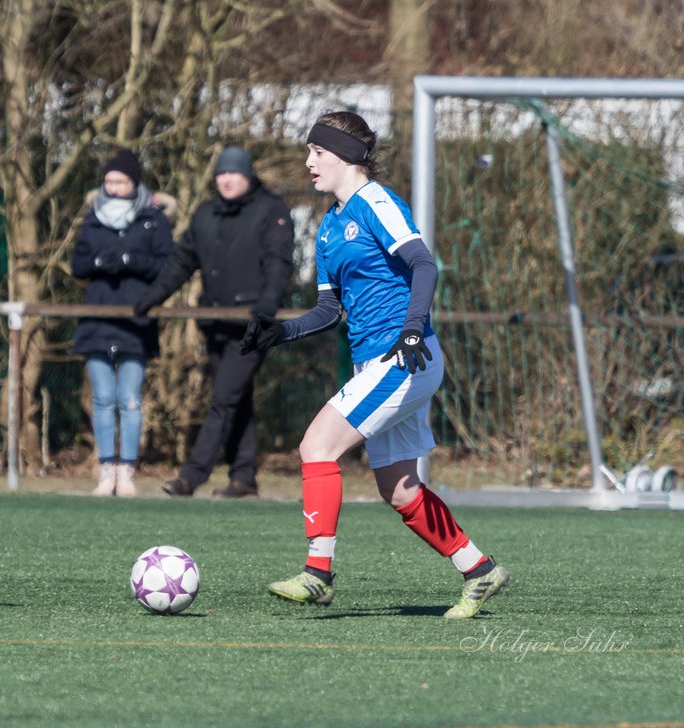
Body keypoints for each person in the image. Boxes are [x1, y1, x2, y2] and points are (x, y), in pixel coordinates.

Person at [241, 112, 509, 620]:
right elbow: (328, 309)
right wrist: (282, 331)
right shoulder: (329, 226)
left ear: (344, 156)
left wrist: (412, 329)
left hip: (405, 354)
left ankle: (318, 574)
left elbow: (423, 264)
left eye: (317, 152)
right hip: (378, 362)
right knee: (399, 488)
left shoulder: (376, 203)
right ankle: (479, 570)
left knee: (316, 445)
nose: (308, 162)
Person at [133, 146, 294, 499]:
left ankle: (191, 476)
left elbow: (277, 262)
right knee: (237, 398)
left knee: (223, 398)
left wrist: (268, 303)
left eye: (234, 173)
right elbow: (181, 261)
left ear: (248, 176)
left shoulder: (271, 211)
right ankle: (244, 477)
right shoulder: (205, 214)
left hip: (253, 325)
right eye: (221, 173)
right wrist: (153, 296)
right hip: (216, 322)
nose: (226, 179)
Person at [71, 149, 174, 497]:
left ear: (134, 183)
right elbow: (78, 264)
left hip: (136, 319)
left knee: (129, 398)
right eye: (109, 181)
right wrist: (101, 260)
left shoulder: (153, 218)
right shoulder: (93, 218)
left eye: (121, 181)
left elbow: (165, 266)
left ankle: (127, 470)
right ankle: (106, 470)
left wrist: (132, 259)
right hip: (97, 318)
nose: (113, 188)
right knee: (102, 398)